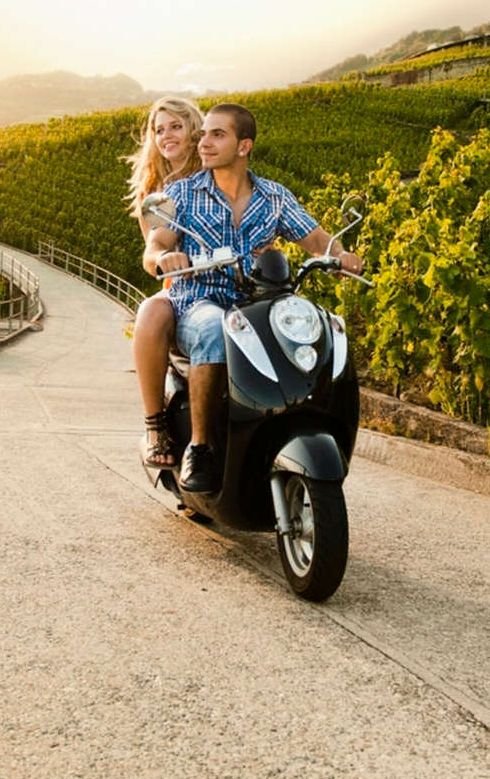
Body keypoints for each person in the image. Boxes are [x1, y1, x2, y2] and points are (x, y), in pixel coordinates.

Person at [142, 103, 363, 493]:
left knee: (316, 327)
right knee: (213, 329)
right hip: (200, 303)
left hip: (259, 307)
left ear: (243, 146)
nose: (203, 143)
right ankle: (201, 447)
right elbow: (155, 245)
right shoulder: (181, 194)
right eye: (203, 134)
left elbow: (316, 239)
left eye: (216, 135)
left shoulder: (274, 197)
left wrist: (340, 254)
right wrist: (163, 257)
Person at [126, 96, 205, 469]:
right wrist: (163, 260)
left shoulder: (217, 173)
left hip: (228, 282)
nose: (167, 135)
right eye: (159, 129)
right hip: (182, 288)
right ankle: (155, 426)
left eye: (175, 126)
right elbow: (152, 251)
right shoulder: (155, 193)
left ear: (194, 129)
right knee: (151, 313)